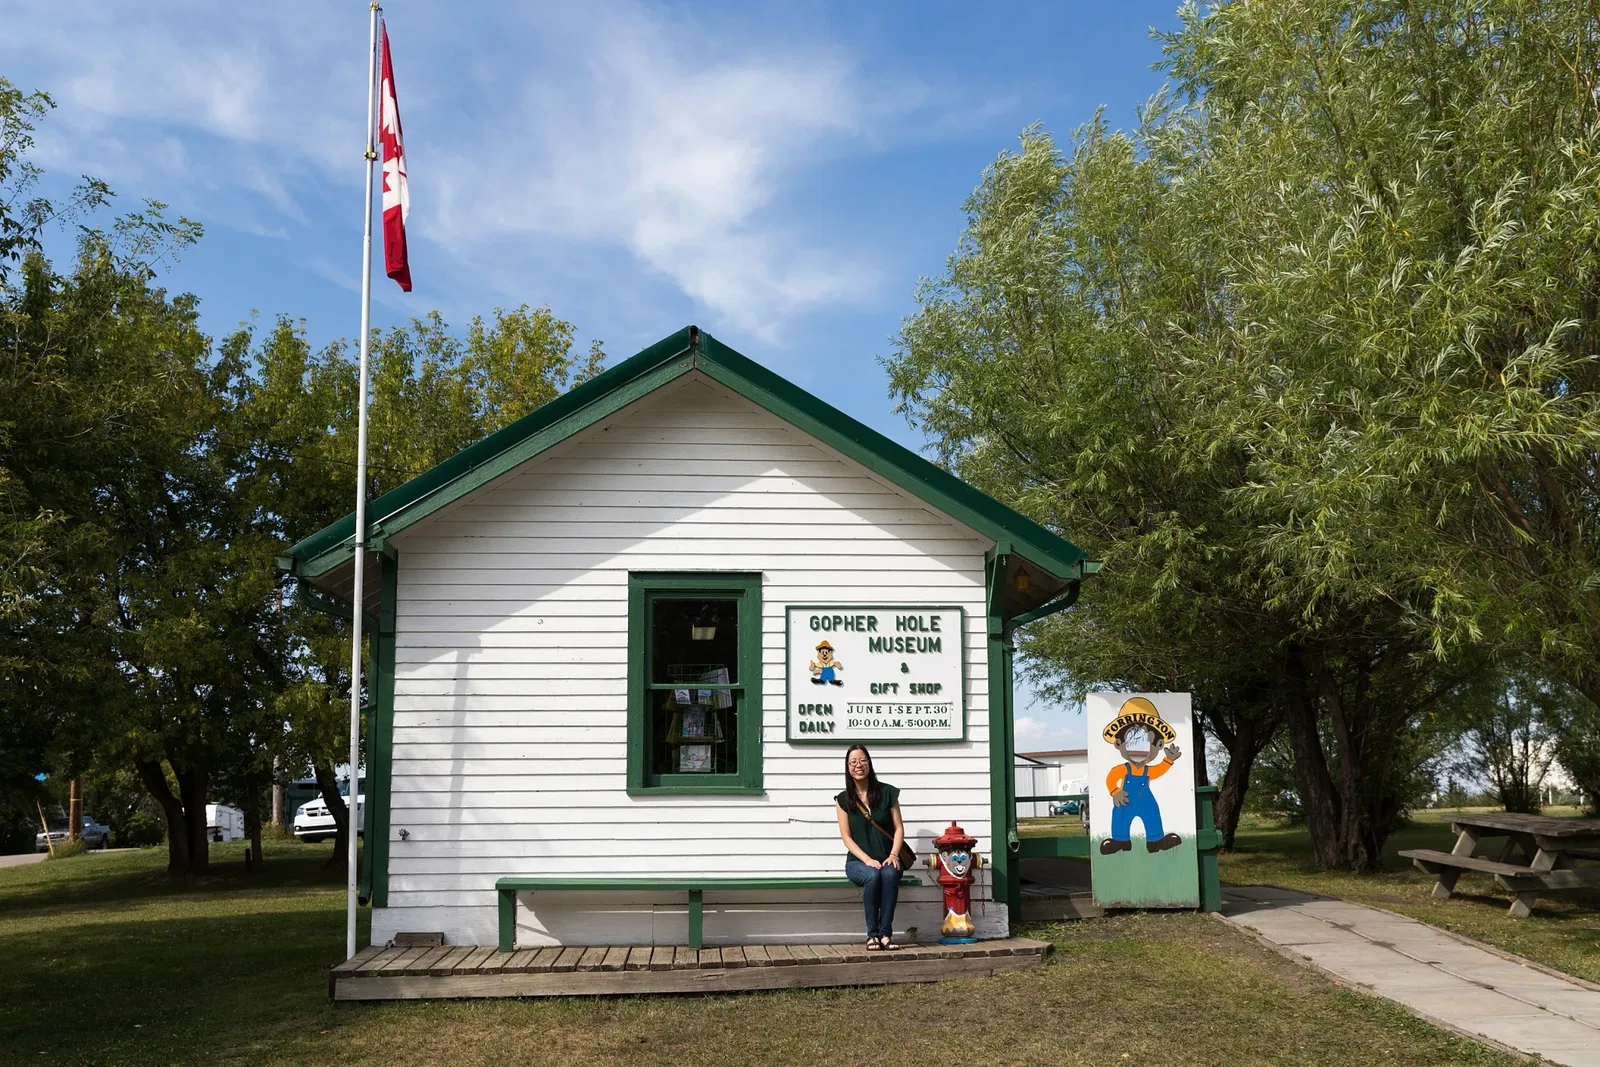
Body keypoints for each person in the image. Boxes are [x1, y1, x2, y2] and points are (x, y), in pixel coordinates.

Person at [835, 744, 905, 950]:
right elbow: (846, 837)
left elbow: (899, 828)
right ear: (848, 768)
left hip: (887, 857)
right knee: (873, 875)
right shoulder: (843, 799)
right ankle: (872, 934)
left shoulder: (887, 793)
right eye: (853, 762)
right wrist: (867, 860)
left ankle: (886, 934)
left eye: (862, 760)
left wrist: (893, 854)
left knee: (890, 875)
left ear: (869, 763)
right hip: (858, 862)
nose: (858, 765)